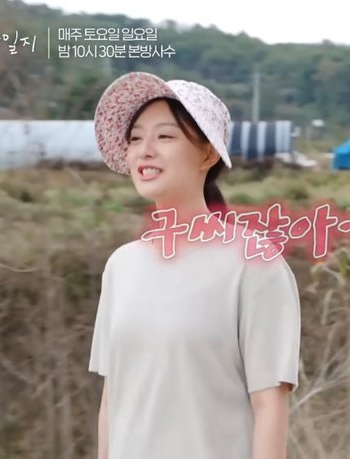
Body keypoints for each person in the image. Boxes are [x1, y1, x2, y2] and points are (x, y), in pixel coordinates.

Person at [88, 72, 302, 459]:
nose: (145, 150)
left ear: (207, 154)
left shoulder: (254, 263)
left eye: (165, 136)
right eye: (135, 138)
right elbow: (112, 402)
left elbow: (269, 404)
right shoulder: (121, 266)